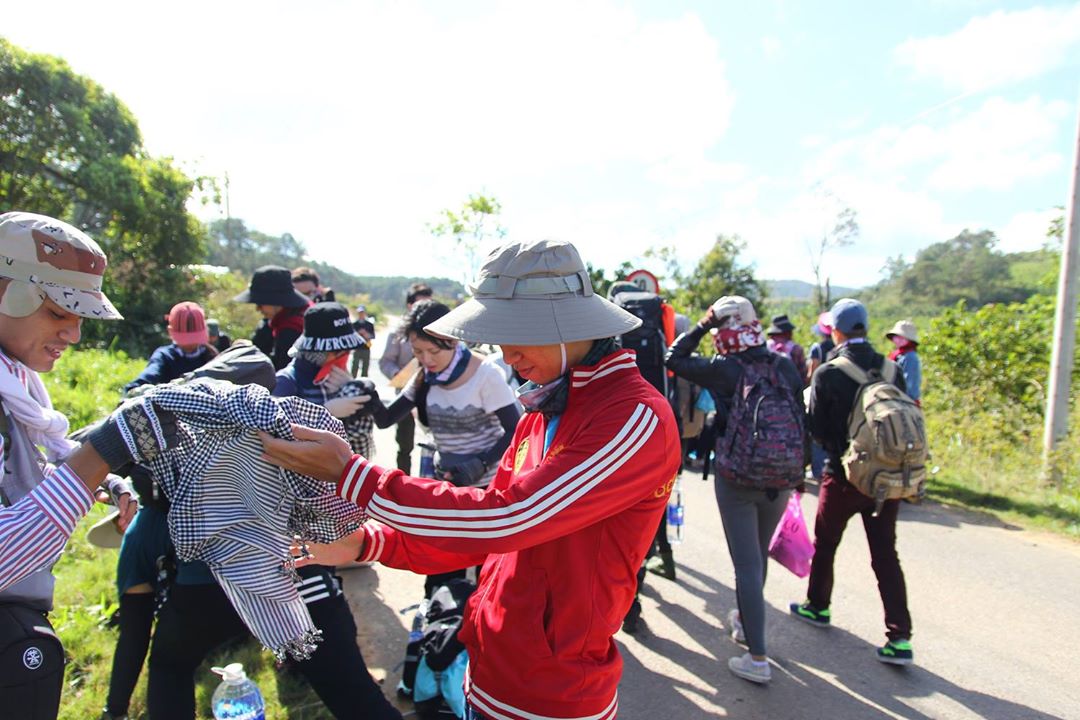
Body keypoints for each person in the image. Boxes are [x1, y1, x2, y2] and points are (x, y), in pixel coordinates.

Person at [260, 239, 681, 720]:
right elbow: (483, 530)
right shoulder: (548, 406)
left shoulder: (634, 417)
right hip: (492, 672)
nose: (507, 352)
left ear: (565, 322)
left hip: (552, 697)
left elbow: (507, 518)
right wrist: (366, 544)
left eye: (517, 332)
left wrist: (354, 477)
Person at [0, 212, 176, 719]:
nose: (74, 335)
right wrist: (102, 451)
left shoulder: (16, 382)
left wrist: (99, 476)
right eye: (59, 312)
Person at [666, 295, 805, 684]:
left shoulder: (726, 369)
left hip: (738, 476)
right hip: (781, 477)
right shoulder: (782, 364)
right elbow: (800, 420)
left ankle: (757, 658)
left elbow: (673, 360)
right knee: (757, 556)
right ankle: (745, 622)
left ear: (723, 327)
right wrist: (798, 474)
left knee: (746, 564)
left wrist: (702, 325)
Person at [361, 299, 521, 597]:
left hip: (484, 485)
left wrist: (481, 463)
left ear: (453, 340)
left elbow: (516, 430)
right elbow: (386, 419)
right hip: (446, 481)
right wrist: (369, 398)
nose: (426, 359)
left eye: (434, 351)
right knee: (442, 560)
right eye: (418, 351)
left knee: (486, 561)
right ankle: (441, 619)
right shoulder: (424, 376)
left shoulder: (485, 375)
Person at [790, 298, 915, 666]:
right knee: (885, 554)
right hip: (886, 480)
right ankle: (900, 636)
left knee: (826, 543)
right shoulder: (892, 369)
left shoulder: (829, 372)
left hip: (843, 477)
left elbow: (818, 430)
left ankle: (818, 605)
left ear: (835, 331)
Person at [378, 283, 434, 473]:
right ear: (410, 306)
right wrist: (400, 375)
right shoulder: (398, 332)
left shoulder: (439, 331)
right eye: (420, 304)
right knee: (405, 445)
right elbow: (385, 362)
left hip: (433, 398)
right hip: (405, 395)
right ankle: (404, 480)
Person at [123, 302, 216, 393]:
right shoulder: (165, 357)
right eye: (185, 339)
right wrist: (135, 389)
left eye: (194, 339)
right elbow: (149, 375)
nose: (190, 344)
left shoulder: (211, 356)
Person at [234, 265, 311, 371]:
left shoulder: (291, 330)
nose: (258, 309)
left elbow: (279, 369)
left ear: (277, 302)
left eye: (261, 304)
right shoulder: (288, 317)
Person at [765, 314, 808, 387]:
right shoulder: (796, 349)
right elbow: (803, 376)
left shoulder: (765, 348)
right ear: (789, 332)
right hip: (791, 392)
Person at [886, 320, 922, 404]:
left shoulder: (910, 357)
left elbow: (910, 386)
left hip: (904, 402)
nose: (898, 340)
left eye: (902, 337)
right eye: (896, 337)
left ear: (909, 340)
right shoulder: (899, 355)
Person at [350, 304, 375, 378]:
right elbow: (351, 336)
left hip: (366, 347)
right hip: (357, 348)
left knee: (365, 367)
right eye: (359, 313)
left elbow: (373, 336)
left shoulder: (369, 324)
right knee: (355, 367)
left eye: (362, 313)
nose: (361, 314)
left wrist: (366, 334)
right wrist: (358, 333)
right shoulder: (354, 324)